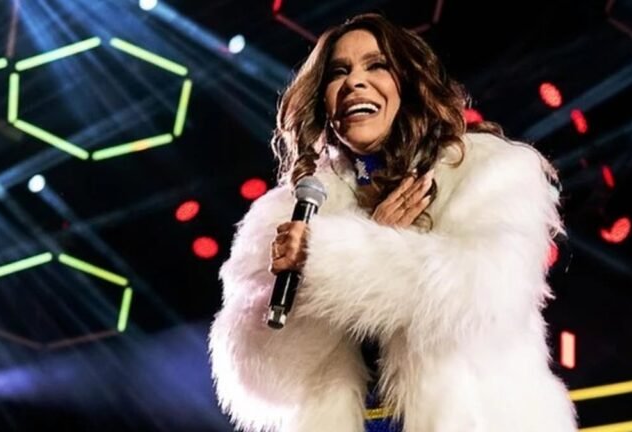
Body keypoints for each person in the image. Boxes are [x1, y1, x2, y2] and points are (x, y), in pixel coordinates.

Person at [208, 12, 577, 432]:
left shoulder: (486, 169)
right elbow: (260, 374)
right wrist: (332, 265)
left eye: (376, 65)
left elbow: (486, 294)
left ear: (409, 83)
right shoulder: (290, 213)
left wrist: (335, 254)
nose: (354, 82)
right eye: (338, 73)